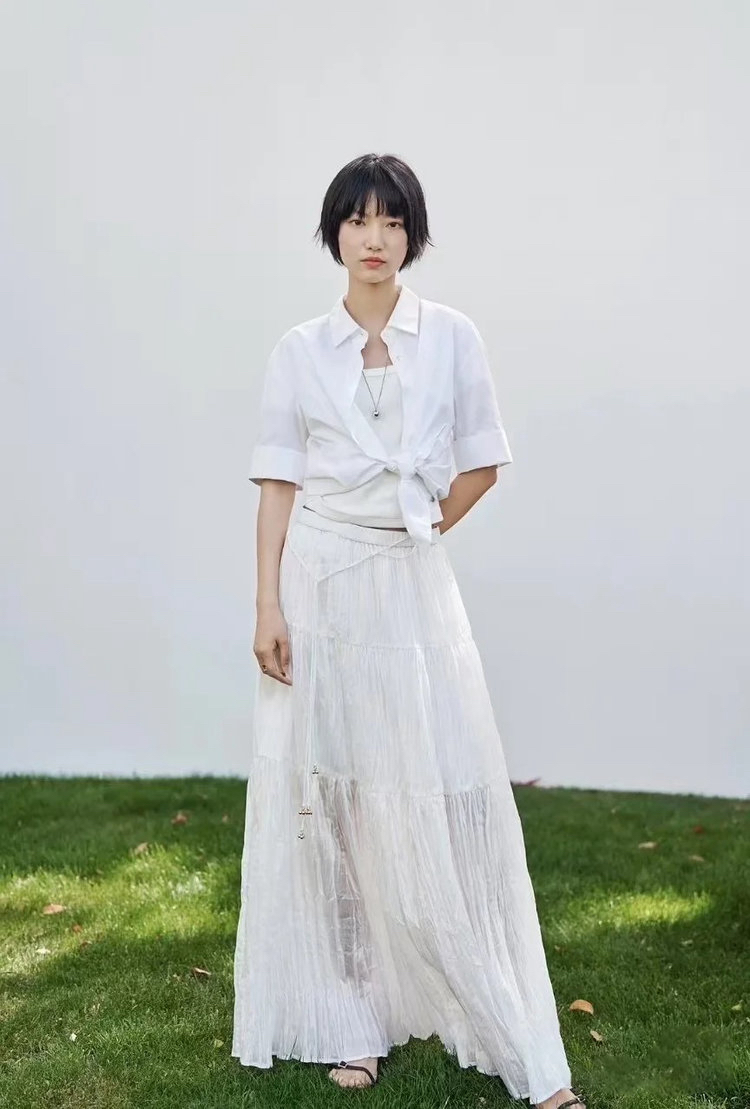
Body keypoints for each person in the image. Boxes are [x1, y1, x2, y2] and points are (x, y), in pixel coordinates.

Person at [231, 152, 586, 1109]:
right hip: (316, 585)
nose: (375, 237)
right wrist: (267, 603)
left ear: (412, 235)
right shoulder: (299, 350)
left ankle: (503, 1021)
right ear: (334, 233)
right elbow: (277, 485)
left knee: (433, 789)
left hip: (411, 587)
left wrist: (418, 525)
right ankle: (352, 1015)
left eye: (392, 220)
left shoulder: (453, 337)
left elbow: (483, 462)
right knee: (330, 799)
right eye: (358, 220)